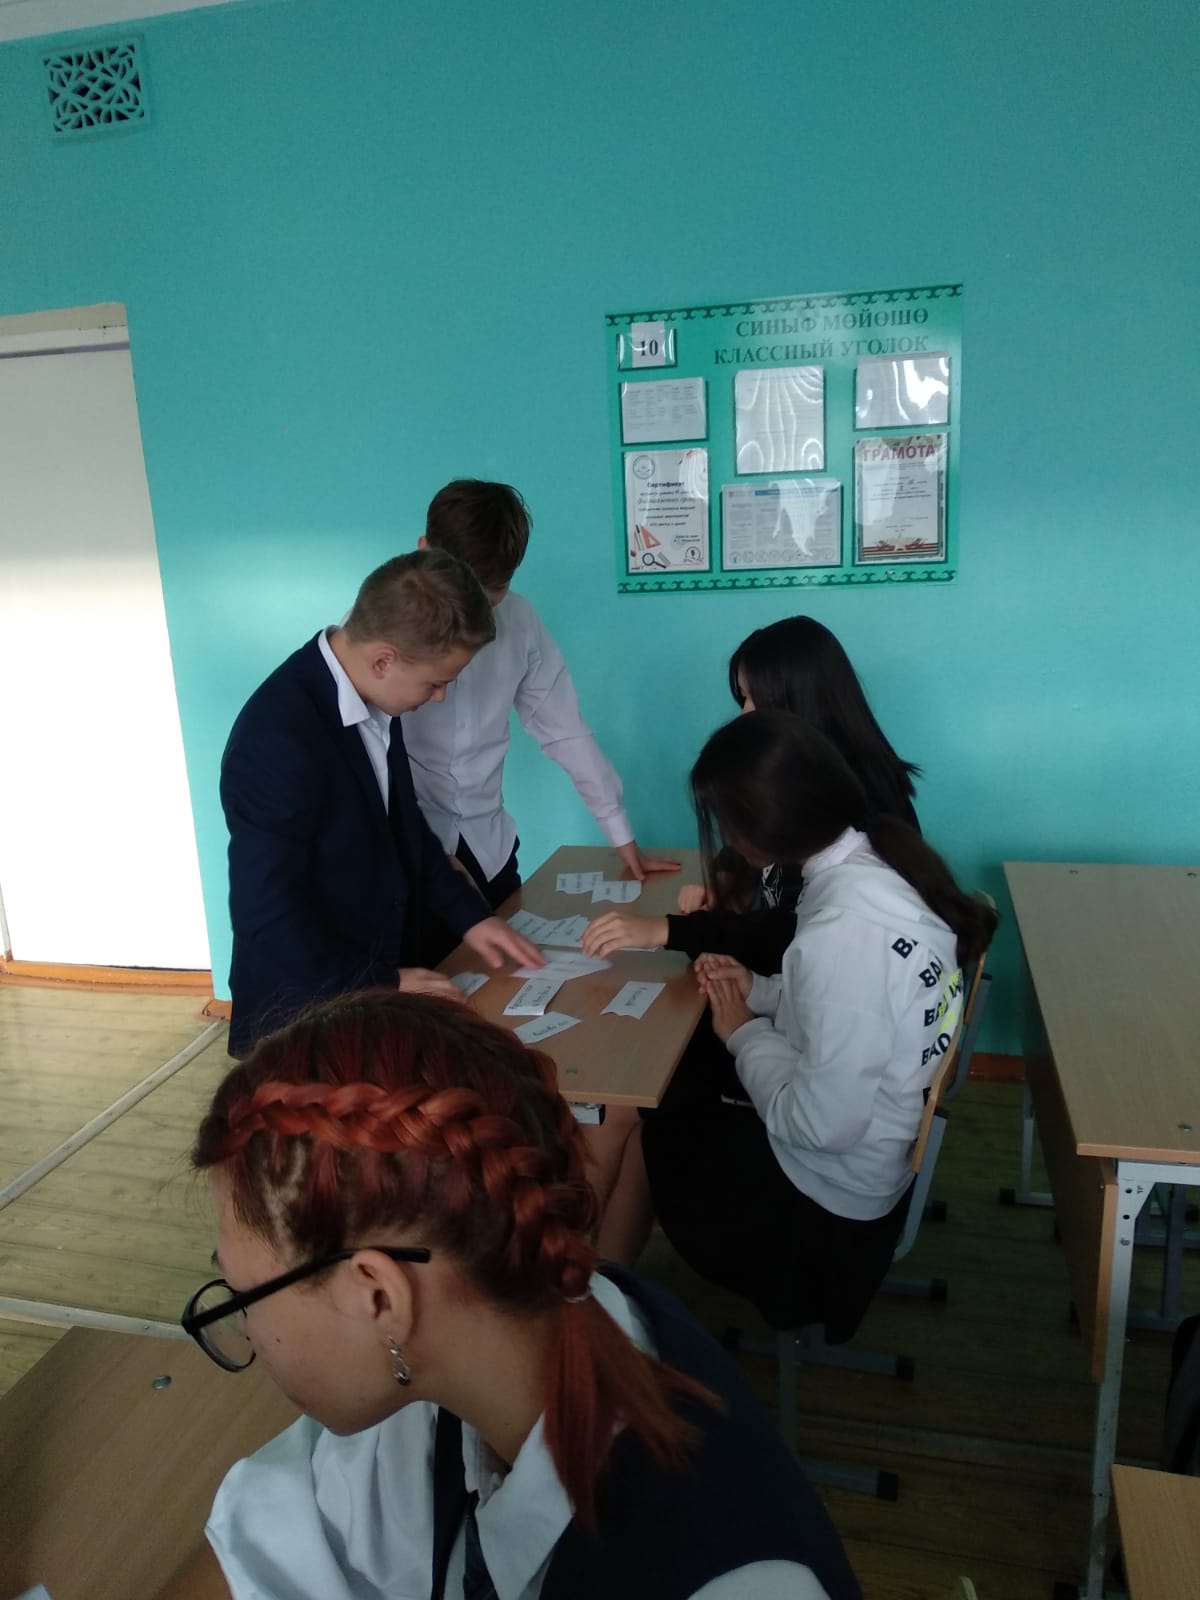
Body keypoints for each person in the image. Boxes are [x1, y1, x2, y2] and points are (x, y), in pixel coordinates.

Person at [174, 990, 863, 1600]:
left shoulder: (720, 1578)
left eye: (244, 1297)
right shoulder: (498, 1336)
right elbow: (266, 1546)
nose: (250, 1333)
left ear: (379, 1296)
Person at [608, 711, 996, 1337]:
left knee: (653, 1121)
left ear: (755, 830)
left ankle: (603, 1310)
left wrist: (743, 1031)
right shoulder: (876, 864)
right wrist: (759, 991)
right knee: (667, 1090)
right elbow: (844, 1006)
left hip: (825, 1223)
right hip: (863, 1164)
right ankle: (603, 1292)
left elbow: (822, 1126)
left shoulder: (841, 935)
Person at [220, 549, 541, 1056]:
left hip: (370, 990)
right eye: (435, 683)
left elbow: (406, 830)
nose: (439, 697)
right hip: (305, 1014)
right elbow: (265, 915)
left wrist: (472, 917)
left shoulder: (369, 697)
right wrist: (380, 983)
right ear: (383, 660)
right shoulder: (276, 740)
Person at [586, 615, 921, 974]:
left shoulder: (853, 810)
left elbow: (791, 938)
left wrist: (667, 930)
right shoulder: (800, 777)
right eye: (744, 698)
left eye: (756, 698)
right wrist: (725, 881)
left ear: (803, 702)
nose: (745, 713)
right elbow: (754, 841)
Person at [403, 479, 679, 908]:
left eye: (492, 595)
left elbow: (565, 730)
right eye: (461, 590)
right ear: (425, 550)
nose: (475, 611)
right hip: (409, 855)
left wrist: (619, 830)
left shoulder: (520, 621)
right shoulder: (379, 630)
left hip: (489, 849)